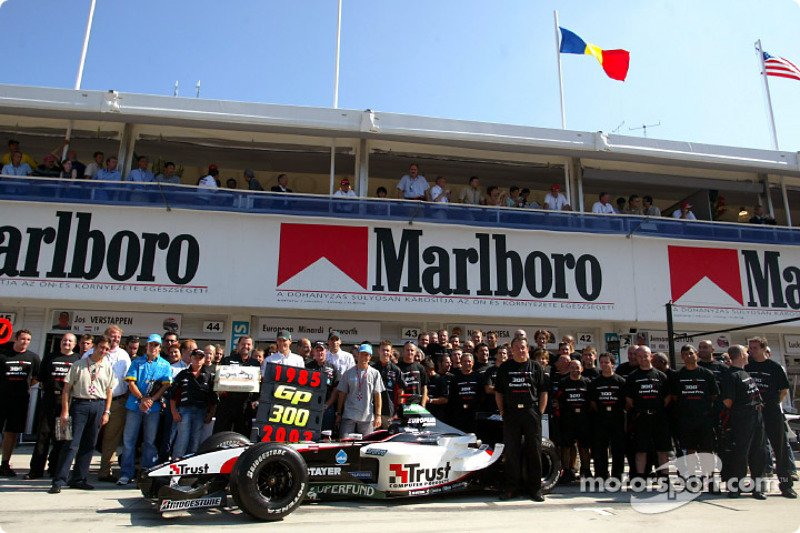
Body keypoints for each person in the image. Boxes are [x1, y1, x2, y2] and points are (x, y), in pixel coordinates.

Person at [48, 335, 116, 494]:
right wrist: (65, 411)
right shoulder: (78, 365)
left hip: (98, 405)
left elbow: (109, 390)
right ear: (95, 347)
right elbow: (66, 390)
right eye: (101, 347)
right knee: (71, 444)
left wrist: (106, 411)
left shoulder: (106, 367)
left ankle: (79, 478)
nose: (103, 351)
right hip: (80, 404)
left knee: (89, 444)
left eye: (107, 349)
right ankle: (59, 480)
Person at [495, 335, 547, 501]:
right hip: (511, 414)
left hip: (531, 412)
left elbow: (543, 392)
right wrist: (502, 411)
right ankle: (512, 488)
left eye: (522, 347)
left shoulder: (536, 367)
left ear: (527, 349)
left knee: (534, 450)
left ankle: (535, 489)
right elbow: (499, 392)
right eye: (516, 347)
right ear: (512, 350)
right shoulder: (505, 368)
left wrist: (539, 412)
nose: (520, 350)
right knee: (512, 452)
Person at [745, 337, 796, 498]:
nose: (752, 351)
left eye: (755, 348)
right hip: (754, 414)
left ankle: (786, 485)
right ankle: (758, 486)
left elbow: (783, 390)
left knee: (780, 449)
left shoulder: (774, 367)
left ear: (763, 348)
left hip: (772, 413)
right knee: (757, 450)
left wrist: (772, 404)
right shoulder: (748, 367)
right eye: (750, 348)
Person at [117, 334, 172, 485]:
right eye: (150, 345)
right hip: (134, 406)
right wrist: (142, 398)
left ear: (160, 347)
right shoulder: (137, 362)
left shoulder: (165, 365)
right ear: (146, 346)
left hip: (153, 408)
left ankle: (148, 473)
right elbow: (131, 383)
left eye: (156, 345)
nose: (153, 348)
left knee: (150, 441)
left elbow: (165, 385)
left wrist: (152, 400)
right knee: (129, 441)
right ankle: (126, 473)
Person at [27, 333, 80, 479]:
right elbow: (41, 379)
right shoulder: (50, 357)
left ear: (75, 344)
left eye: (70, 341)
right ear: (60, 342)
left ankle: (55, 468)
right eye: (64, 340)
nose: (66, 343)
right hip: (50, 399)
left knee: (62, 438)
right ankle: (35, 470)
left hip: (67, 403)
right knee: (43, 435)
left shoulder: (77, 359)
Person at [721, 345, 768, 499]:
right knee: (741, 452)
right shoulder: (731, 375)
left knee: (759, 451)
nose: (749, 355)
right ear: (741, 355)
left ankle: (758, 487)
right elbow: (728, 401)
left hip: (756, 416)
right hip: (743, 417)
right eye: (746, 353)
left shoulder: (744, 373)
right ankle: (736, 487)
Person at [625, 345, 671, 481]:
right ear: (637, 358)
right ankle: (640, 478)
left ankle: (665, 478)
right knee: (641, 450)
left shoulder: (660, 376)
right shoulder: (633, 377)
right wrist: (640, 410)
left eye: (645, 355)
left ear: (651, 357)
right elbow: (629, 398)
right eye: (640, 356)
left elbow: (667, 396)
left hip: (659, 417)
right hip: (641, 417)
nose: (643, 358)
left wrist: (658, 408)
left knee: (662, 449)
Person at [0, 329, 41, 476]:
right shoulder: (3, 355)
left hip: (20, 400)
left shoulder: (33, 358)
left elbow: (37, 377)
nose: (25, 342)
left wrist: (26, 386)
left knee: (11, 432)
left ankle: (5, 463)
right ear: (16, 339)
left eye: (28, 339)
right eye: (23, 339)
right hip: (2, 398)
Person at [671, 344, 719, 455]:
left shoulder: (707, 374)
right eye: (685, 354)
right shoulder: (678, 376)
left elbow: (714, 395)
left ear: (696, 355)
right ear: (682, 357)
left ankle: (705, 472)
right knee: (689, 448)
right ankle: (692, 472)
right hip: (686, 418)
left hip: (704, 417)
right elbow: (675, 396)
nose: (688, 356)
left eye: (691, 353)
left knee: (706, 448)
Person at [170, 348, 217, 458]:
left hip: (201, 412)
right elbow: (172, 394)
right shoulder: (183, 374)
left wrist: (210, 414)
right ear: (191, 359)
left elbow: (213, 397)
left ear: (204, 360)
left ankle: (190, 472)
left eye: (200, 358)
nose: (197, 360)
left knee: (195, 443)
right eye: (195, 357)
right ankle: (175, 470)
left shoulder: (209, 375)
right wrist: (174, 412)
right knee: (182, 441)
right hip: (184, 411)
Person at [589, 353, 627, 480]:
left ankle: (617, 475)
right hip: (600, 419)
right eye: (602, 363)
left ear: (612, 364)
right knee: (600, 449)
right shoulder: (595, 383)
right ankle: (601, 475)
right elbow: (593, 402)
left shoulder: (620, 381)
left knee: (618, 449)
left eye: (606, 362)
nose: (604, 365)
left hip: (617, 419)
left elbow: (626, 402)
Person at [213, 335, 260, 437]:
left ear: (251, 347)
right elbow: (218, 381)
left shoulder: (255, 363)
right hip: (227, 403)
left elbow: (258, 385)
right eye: (243, 344)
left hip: (244, 405)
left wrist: (254, 400)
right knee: (220, 435)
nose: (245, 346)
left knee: (243, 436)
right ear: (238, 345)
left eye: (248, 344)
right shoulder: (227, 360)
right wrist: (219, 389)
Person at [336, 344, 384, 436]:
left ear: (370, 357)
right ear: (358, 355)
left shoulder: (375, 373)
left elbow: (378, 395)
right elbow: (342, 394)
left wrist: (378, 415)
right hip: (349, 415)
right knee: (345, 443)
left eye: (366, 355)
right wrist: (338, 413)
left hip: (367, 417)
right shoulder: (348, 373)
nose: (363, 357)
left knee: (366, 446)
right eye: (362, 354)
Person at [556, 359, 592, 480]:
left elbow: (592, 402)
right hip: (568, 420)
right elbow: (558, 400)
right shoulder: (563, 382)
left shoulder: (587, 382)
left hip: (584, 419)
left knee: (585, 447)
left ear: (581, 368)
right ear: (569, 369)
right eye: (572, 367)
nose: (575, 370)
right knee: (566, 447)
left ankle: (586, 470)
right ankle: (566, 471)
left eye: (577, 368)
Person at [306, 341, 341, 432]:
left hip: (327, 407)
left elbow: (336, 390)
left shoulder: (333, 368)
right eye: (317, 350)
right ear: (313, 352)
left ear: (326, 351)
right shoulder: (307, 367)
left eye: (321, 350)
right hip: (310, 407)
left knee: (326, 434)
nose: (319, 353)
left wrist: (326, 406)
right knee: (310, 434)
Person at [371, 340, 406, 429]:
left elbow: (400, 392)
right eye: (383, 350)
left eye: (387, 350)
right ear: (379, 350)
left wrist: (398, 411)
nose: (385, 352)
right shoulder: (372, 369)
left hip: (389, 412)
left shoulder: (396, 370)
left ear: (391, 352)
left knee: (388, 438)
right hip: (373, 412)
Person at [448, 352, 483, 433]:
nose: (467, 363)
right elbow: (452, 395)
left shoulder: (478, 377)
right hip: (459, 413)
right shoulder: (456, 378)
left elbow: (481, 394)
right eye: (465, 361)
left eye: (469, 361)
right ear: (461, 363)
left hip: (474, 412)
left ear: (473, 363)